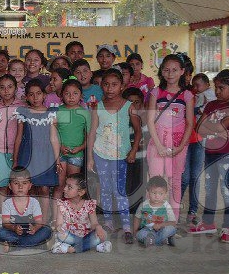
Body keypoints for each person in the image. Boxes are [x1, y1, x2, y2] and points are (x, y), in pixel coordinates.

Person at [189, 67, 229, 243]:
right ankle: (208, 222)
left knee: (226, 189)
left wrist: (211, 127)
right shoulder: (211, 104)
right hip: (210, 151)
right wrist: (213, 128)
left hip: (227, 153)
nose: (217, 91)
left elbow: (219, 126)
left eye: (221, 88)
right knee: (210, 188)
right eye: (216, 87)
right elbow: (198, 127)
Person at [87, 69, 141, 244]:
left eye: (114, 85)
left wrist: (133, 151)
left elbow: (138, 131)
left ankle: (126, 226)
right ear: (101, 86)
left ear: (122, 86)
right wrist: (90, 158)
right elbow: (92, 132)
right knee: (105, 189)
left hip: (120, 155)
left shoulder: (128, 106)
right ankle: (109, 223)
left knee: (119, 191)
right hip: (101, 153)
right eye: (106, 84)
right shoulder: (98, 107)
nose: (110, 88)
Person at [146, 54, 194, 220]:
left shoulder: (187, 95)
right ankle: (151, 219)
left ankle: (172, 221)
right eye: (166, 70)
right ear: (161, 71)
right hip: (157, 143)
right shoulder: (155, 92)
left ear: (182, 71)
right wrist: (158, 145)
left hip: (178, 144)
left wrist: (181, 146)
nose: (170, 73)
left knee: (175, 182)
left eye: (174, 70)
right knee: (155, 180)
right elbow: (150, 121)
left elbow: (189, 123)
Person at [13, 79, 60, 221]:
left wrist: (57, 159)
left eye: (38, 93)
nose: (35, 97)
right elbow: (19, 137)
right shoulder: (23, 112)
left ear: (44, 95)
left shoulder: (51, 113)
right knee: (29, 188)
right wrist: (15, 160)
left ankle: (44, 221)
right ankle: (32, 219)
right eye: (31, 94)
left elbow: (54, 138)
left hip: (46, 155)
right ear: (26, 96)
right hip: (27, 155)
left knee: (45, 188)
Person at [182, 73, 216, 224]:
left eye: (198, 85)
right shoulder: (187, 94)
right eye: (193, 84)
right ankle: (174, 209)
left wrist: (196, 111)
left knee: (195, 177)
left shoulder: (209, 95)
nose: (195, 87)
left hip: (200, 140)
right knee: (184, 178)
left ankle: (192, 211)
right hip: (184, 140)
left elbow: (208, 111)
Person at [51, 174, 112, 253]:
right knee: (60, 235)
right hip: (69, 236)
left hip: (85, 235)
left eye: (69, 187)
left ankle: (70, 249)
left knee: (102, 233)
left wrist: (98, 227)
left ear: (81, 192)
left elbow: (94, 223)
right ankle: (94, 246)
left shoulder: (89, 204)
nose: (65, 189)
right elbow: (59, 224)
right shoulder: (62, 204)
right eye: (65, 185)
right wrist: (58, 227)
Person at [0, 167, 52, 252]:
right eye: (16, 183)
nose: (20, 187)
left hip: (30, 232)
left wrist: (35, 228)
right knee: (0, 232)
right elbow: (5, 223)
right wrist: (14, 228)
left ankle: (15, 246)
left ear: (30, 186)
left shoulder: (34, 202)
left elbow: (39, 222)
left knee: (47, 230)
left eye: (24, 183)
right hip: (14, 232)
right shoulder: (7, 203)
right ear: (10, 186)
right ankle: (37, 245)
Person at [54, 79, 90, 200]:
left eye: (75, 93)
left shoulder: (85, 113)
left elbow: (89, 136)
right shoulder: (57, 111)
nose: (71, 97)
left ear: (81, 95)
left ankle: (72, 216)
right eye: (67, 93)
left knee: (73, 187)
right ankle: (56, 217)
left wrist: (80, 148)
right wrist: (60, 146)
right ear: (61, 94)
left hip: (77, 155)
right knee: (59, 186)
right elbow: (53, 133)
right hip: (60, 154)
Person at [0, 74, 22, 198]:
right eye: (2, 88)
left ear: (16, 88)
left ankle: (16, 214)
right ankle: (3, 215)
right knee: (2, 185)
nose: (6, 91)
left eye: (10, 87)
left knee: (18, 185)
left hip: (18, 152)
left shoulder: (22, 107)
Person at [134, 176, 177, 247]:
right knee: (140, 234)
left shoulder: (167, 206)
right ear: (148, 192)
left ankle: (152, 241)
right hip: (148, 230)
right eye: (154, 193)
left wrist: (160, 225)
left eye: (161, 194)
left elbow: (173, 223)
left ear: (165, 194)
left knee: (171, 229)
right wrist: (135, 231)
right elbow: (137, 218)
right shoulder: (143, 205)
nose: (157, 196)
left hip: (162, 230)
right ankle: (162, 240)